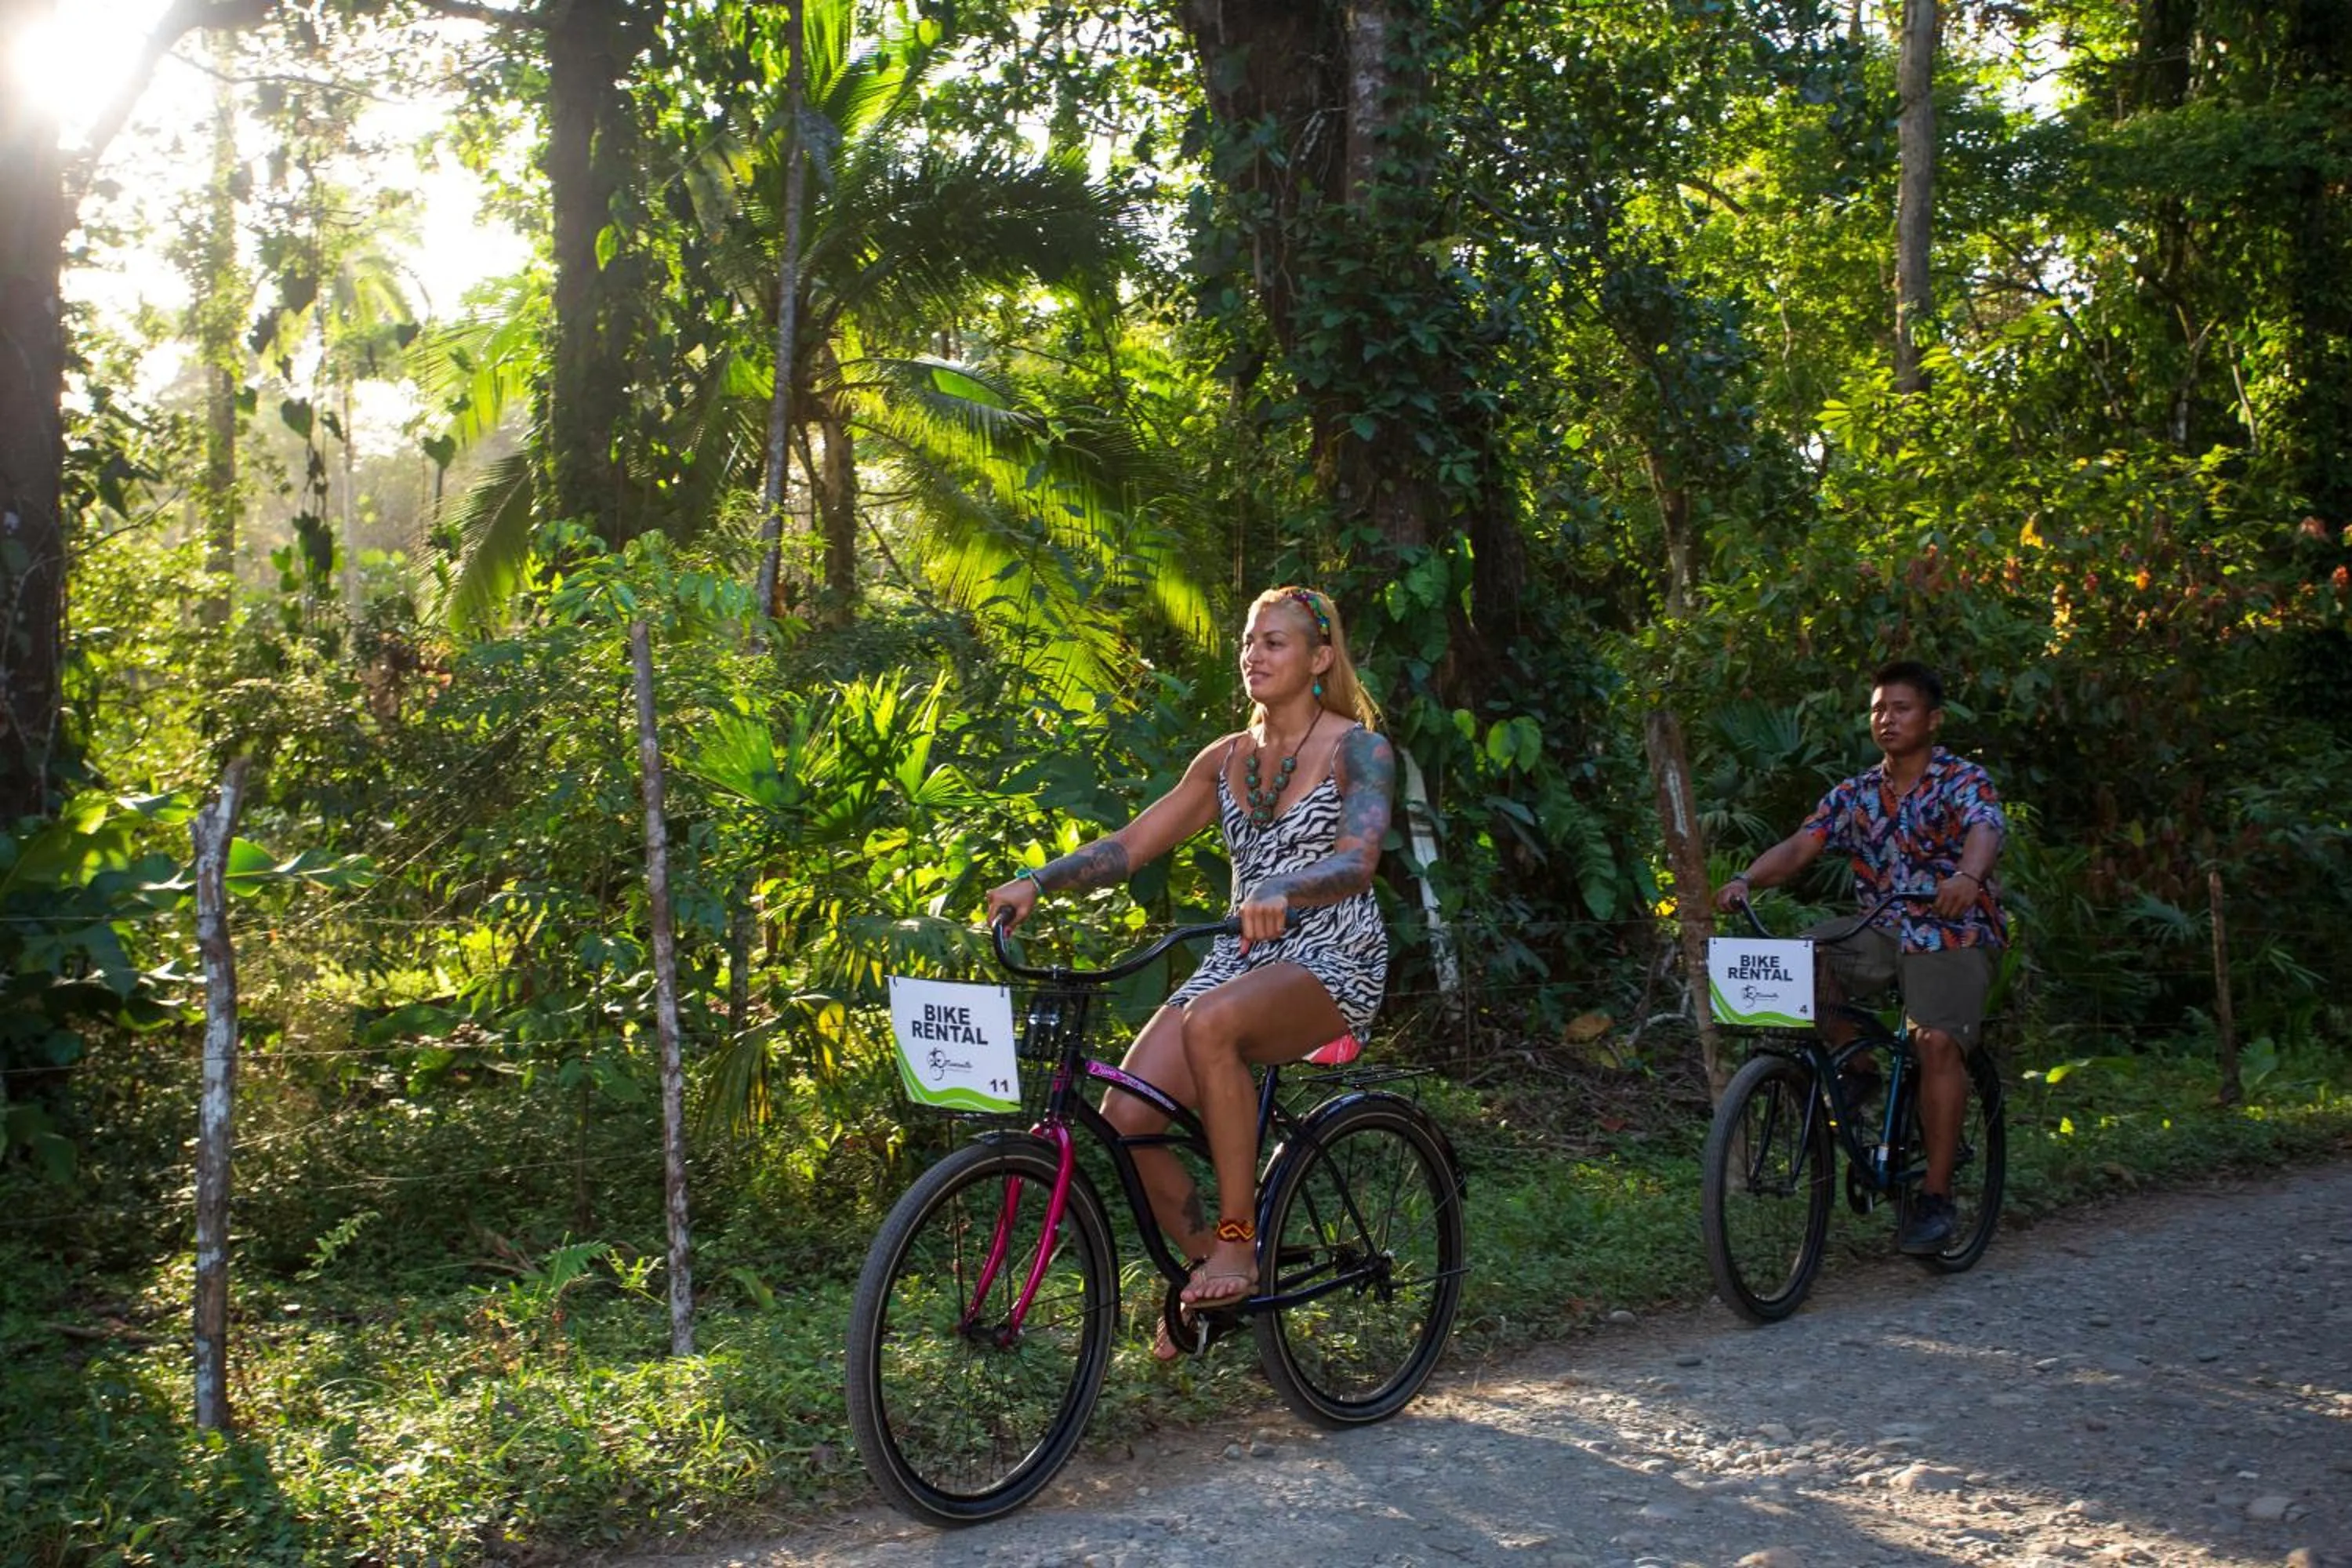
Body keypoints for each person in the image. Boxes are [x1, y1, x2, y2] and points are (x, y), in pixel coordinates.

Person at [985, 586, 1395, 1352]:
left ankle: (1240, 1239)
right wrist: (1037, 881)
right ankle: (1208, 1262)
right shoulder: (1226, 758)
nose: (1255, 653)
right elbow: (1131, 846)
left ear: (1320, 657)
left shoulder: (1357, 749)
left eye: (1275, 641)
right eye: (1249, 640)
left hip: (1335, 955)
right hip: (1238, 957)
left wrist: (1285, 888)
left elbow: (1358, 858)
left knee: (1213, 1024)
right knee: (1126, 1118)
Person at [1711, 659, 2006, 1254]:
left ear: (1932, 718)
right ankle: (1861, 1070)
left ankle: (1935, 1196)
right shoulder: (1856, 792)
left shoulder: (1962, 780)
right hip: (1881, 927)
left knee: (1936, 1043)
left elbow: (1985, 829)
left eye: (1901, 708)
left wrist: (1968, 877)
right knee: (1805, 962)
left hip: (1951, 931)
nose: (1887, 719)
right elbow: (1803, 845)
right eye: (1878, 709)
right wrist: (1746, 878)